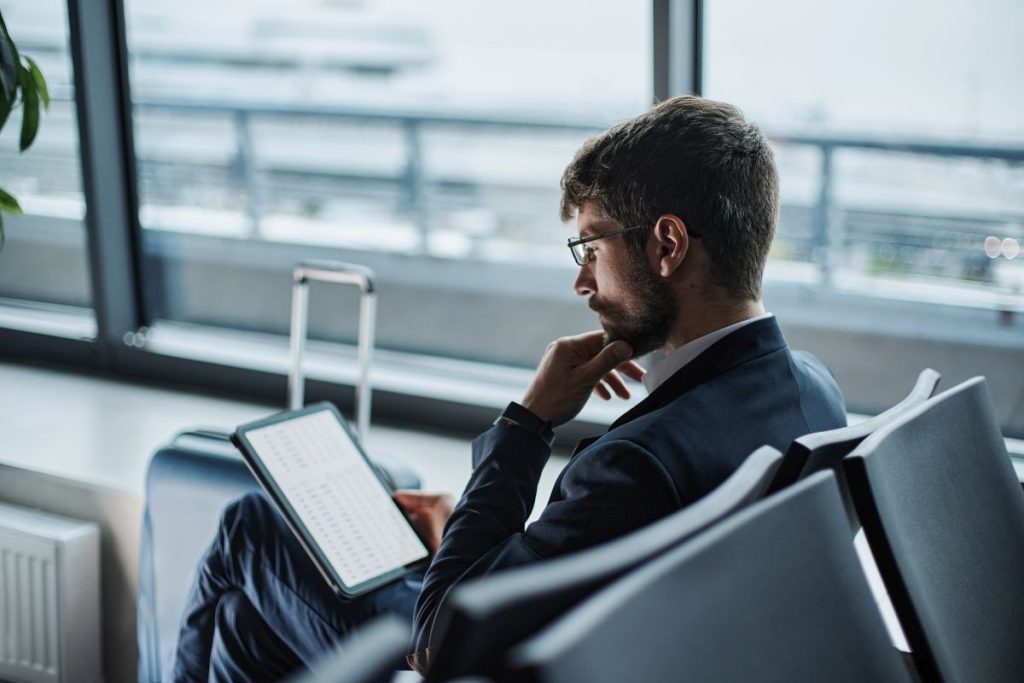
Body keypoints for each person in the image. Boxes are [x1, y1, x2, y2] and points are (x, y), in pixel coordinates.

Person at [171, 95, 846, 682]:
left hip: (502, 665)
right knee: (244, 624)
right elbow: (581, 559)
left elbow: (438, 640)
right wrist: (466, 525)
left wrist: (527, 423)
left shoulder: (638, 464)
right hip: (642, 650)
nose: (581, 284)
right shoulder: (813, 392)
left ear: (667, 245)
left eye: (591, 247)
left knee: (249, 527)